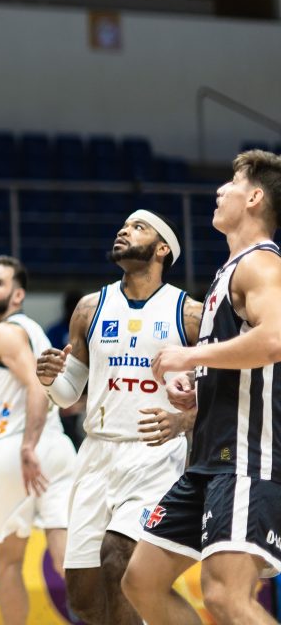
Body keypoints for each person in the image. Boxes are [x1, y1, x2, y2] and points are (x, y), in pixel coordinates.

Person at [123, 150, 281, 625]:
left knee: (226, 597)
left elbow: (274, 340)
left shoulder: (261, 264)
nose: (220, 190)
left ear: (254, 198)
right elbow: (242, 362)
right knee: (141, 581)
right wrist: (196, 395)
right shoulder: (227, 271)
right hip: (207, 459)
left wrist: (189, 356)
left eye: (232, 183)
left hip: (247, 459)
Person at [36, 211, 200, 625]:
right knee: (84, 598)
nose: (124, 230)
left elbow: (224, 389)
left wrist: (183, 422)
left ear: (162, 249)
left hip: (154, 454)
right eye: (124, 226)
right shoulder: (89, 308)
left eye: (138, 227)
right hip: (96, 454)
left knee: (118, 556)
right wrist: (50, 380)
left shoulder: (189, 314)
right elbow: (70, 391)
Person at [0, 255, 75, 625]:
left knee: (8, 563)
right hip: (59, 446)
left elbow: (36, 385)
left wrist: (28, 445)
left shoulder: (3, 332)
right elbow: (58, 393)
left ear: (17, 295)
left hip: (19, 448)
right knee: (69, 561)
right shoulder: (37, 331)